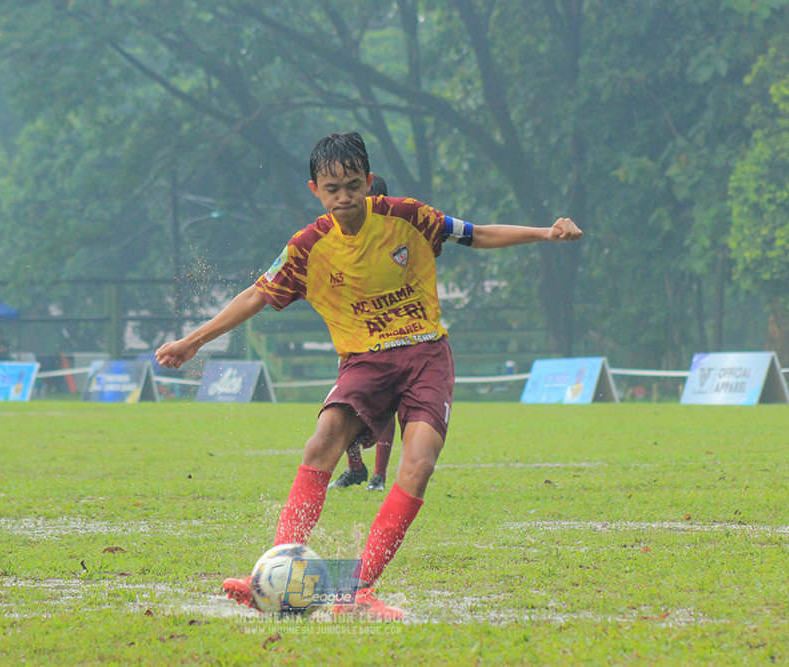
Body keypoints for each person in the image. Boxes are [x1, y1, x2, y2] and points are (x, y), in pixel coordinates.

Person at [155, 132, 581, 619]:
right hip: (364, 361)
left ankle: (356, 591)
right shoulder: (307, 248)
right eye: (332, 189)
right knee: (321, 442)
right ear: (315, 190)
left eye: (353, 185)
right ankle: (273, 575)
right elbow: (255, 295)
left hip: (426, 355)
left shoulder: (408, 217)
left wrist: (546, 233)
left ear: (368, 181)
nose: (344, 197)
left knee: (419, 463)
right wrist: (194, 341)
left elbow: (477, 234)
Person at [329, 172, 394, 493]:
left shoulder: (393, 237)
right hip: (354, 337)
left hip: (391, 337)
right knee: (346, 403)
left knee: (387, 406)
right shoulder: (340, 238)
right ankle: (356, 467)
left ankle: (378, 476)